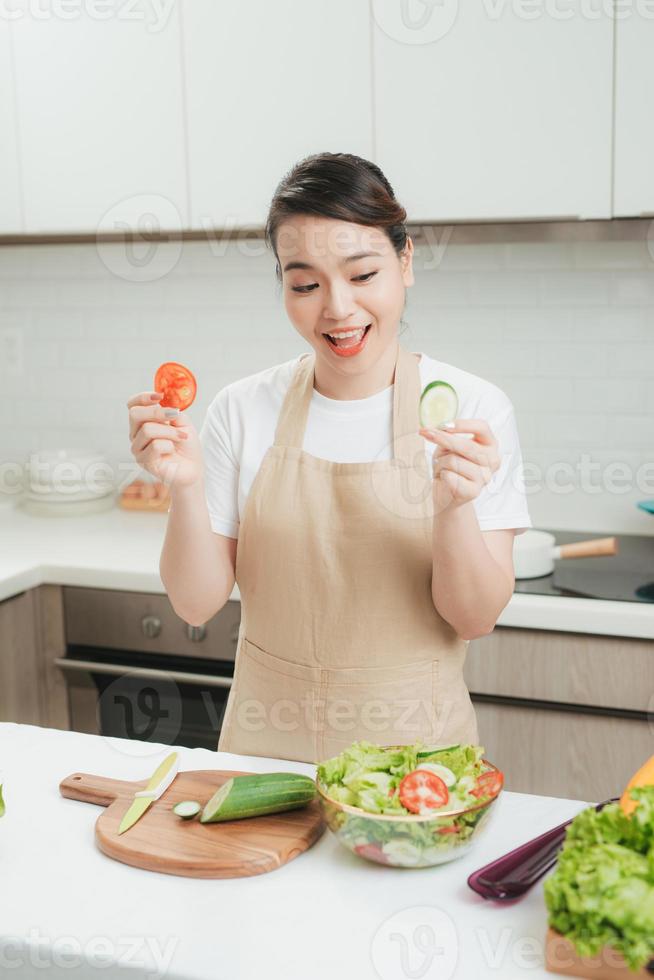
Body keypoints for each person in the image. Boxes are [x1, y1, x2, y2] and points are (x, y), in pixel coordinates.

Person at [127, 152, 531, 764]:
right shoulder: (241, 408)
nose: (337, 308)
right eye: (306, 284)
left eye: (363, 274)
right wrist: (183, 487)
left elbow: (473, 617)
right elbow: (195, 603)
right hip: (266, 762)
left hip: (412, 778)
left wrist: (453, 507)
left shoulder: (470, 410)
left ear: (406, 261)